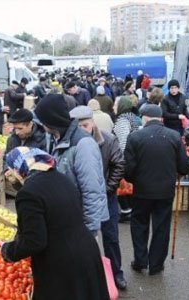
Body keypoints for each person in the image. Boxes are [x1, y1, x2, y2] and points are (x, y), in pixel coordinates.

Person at [0, 147, 110, 300]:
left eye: (11, 169)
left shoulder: (28, 193)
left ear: (19, 167)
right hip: (86, 252)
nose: (9, 175)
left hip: (62, 264)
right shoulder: (62, 178)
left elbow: (34, 241)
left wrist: (7, 250)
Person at [124, 104, 189, 275]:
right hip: (165, 191)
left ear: (144, 118)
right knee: (161, 227)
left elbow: (129, 169)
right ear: (161, 118)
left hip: (142, 190)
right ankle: (156, 264)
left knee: (139, 224)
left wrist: (134, 180)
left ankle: (140, 260)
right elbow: (184, 165)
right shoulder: (174, 136)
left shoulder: (135, 137)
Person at [70, 106, 127, 290]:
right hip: (81, 199)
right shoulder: (73, 142)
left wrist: (107, 189)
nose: (82, 130)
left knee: (111, 237)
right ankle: (89, 277)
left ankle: (117, 273)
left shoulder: (108, 139)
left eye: (85, 125)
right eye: (78, 126)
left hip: (107, 198)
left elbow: (119, 165)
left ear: (92, 122)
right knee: (84, 238)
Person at [34, 94, 109, 234]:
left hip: (80, 224)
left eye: (43, 121)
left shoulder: (83, 144)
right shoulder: (55, 138)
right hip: (67, 219)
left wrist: (89, 230)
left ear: (51, 120)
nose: (41, 125)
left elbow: (92, 190)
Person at [113, 96, 142, 221]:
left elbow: (123, 142)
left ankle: (127, 210)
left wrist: (121, 160)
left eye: (116, 104)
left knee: (121, 184)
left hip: (125, 157)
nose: (114, 106)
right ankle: (130, 209)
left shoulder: (122, 121)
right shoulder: (132, 117)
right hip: (133, 155)